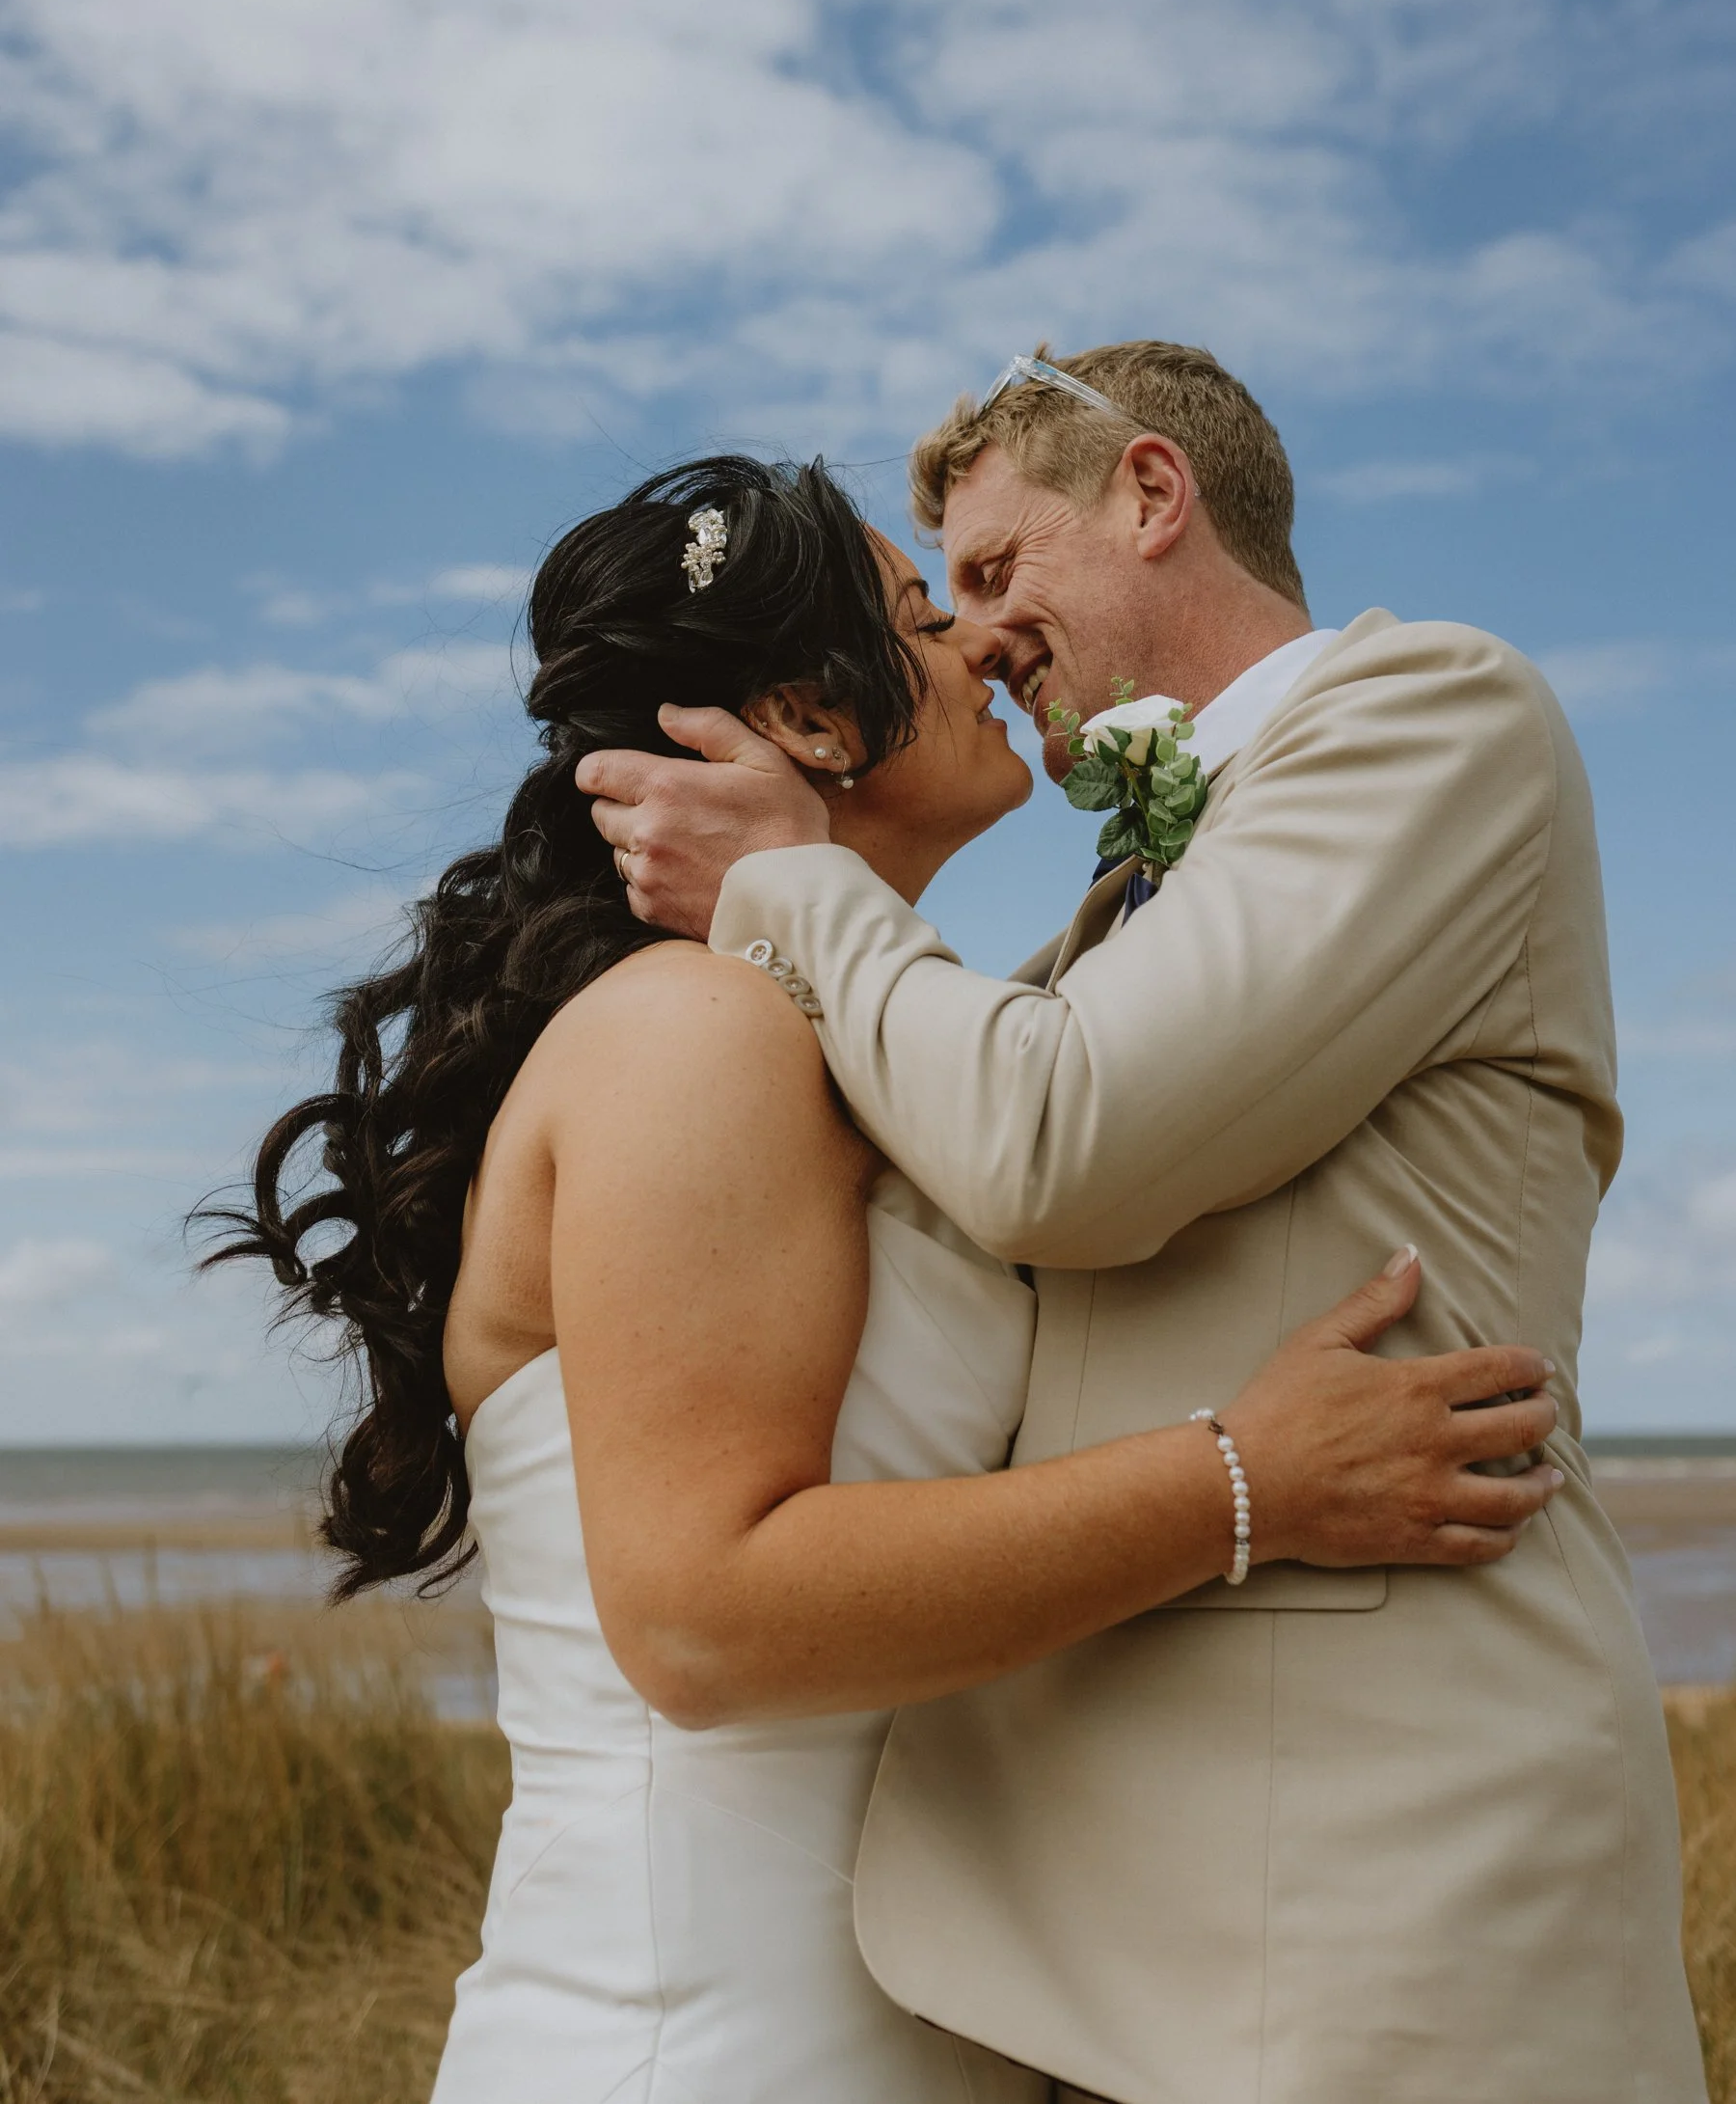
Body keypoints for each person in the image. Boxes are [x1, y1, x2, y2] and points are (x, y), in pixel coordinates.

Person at [210, 452, 1563, 2104]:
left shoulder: (871, 1050)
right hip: (710, 2041)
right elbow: (704, 1616)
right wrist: (1246, 1480)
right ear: (814, 716)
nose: (983, 645)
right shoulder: (690, 1032)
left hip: (933, 2019)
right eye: (927, 615)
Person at [579, 358, 1707, 2104]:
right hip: (1107, 1939)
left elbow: (1057, 1143)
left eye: (993, 569)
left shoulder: (1436, 710)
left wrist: (790, 879)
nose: (973, 637)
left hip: (1386, 1882)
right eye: (941, 598)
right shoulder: (1132, 905)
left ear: (1152, 495)